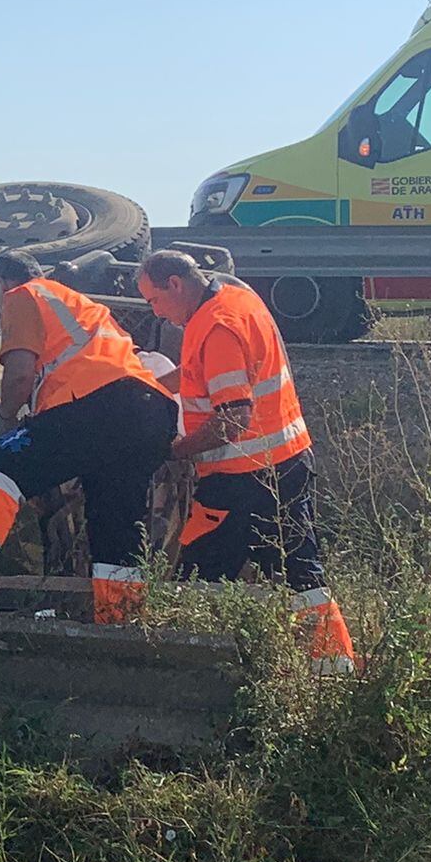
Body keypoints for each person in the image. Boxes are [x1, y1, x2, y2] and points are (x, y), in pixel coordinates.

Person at [0, 250, 176, 617]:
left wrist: (4, 421)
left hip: (101, 405)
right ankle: (121, 617)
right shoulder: (78, 305)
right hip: (150, 413)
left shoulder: (22, 295)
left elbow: (20, 373)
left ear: (0, 284)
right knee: (115, 519)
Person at [136, 249, 357, 673]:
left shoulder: (216, 327)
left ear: (176, 284)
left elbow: (233, 419)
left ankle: (189, 669)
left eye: (155, 300)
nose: (157, 312)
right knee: (300, 570)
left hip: (242, 478)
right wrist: (150, 384)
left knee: (198, 573)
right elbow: (199, 371)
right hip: (288, 462)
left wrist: (174, 451)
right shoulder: (236, 299)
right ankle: (333, 666)